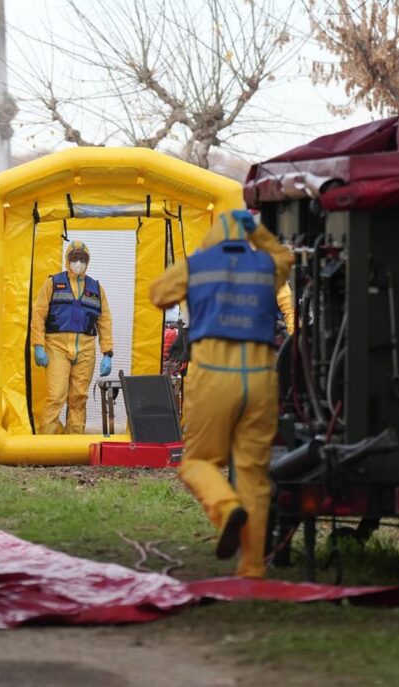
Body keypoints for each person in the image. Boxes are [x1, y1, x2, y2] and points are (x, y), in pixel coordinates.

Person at [149, 210, 293, 577]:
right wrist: (259, 232)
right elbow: (286, 258)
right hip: (261, 377)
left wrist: (195, 263)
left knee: (198, 462)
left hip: (213, 375)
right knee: (253, 475)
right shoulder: (265, 266)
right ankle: (252, 568)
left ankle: (226, 507)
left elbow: (159, 294)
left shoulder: (198, 265)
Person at [30, 240, 114, 435]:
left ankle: (73, 441)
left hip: (85, 348)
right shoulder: (53, 283)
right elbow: (38, 314)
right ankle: (47, 443)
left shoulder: (96, 288)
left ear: (88, 261)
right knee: (56, 395)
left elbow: (105, 320)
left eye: (82, 259)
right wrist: (38, 345)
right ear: (68, 260)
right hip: (56, 347)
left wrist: (107, 353)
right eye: (74, 258)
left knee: (79, 397)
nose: (78, 262)